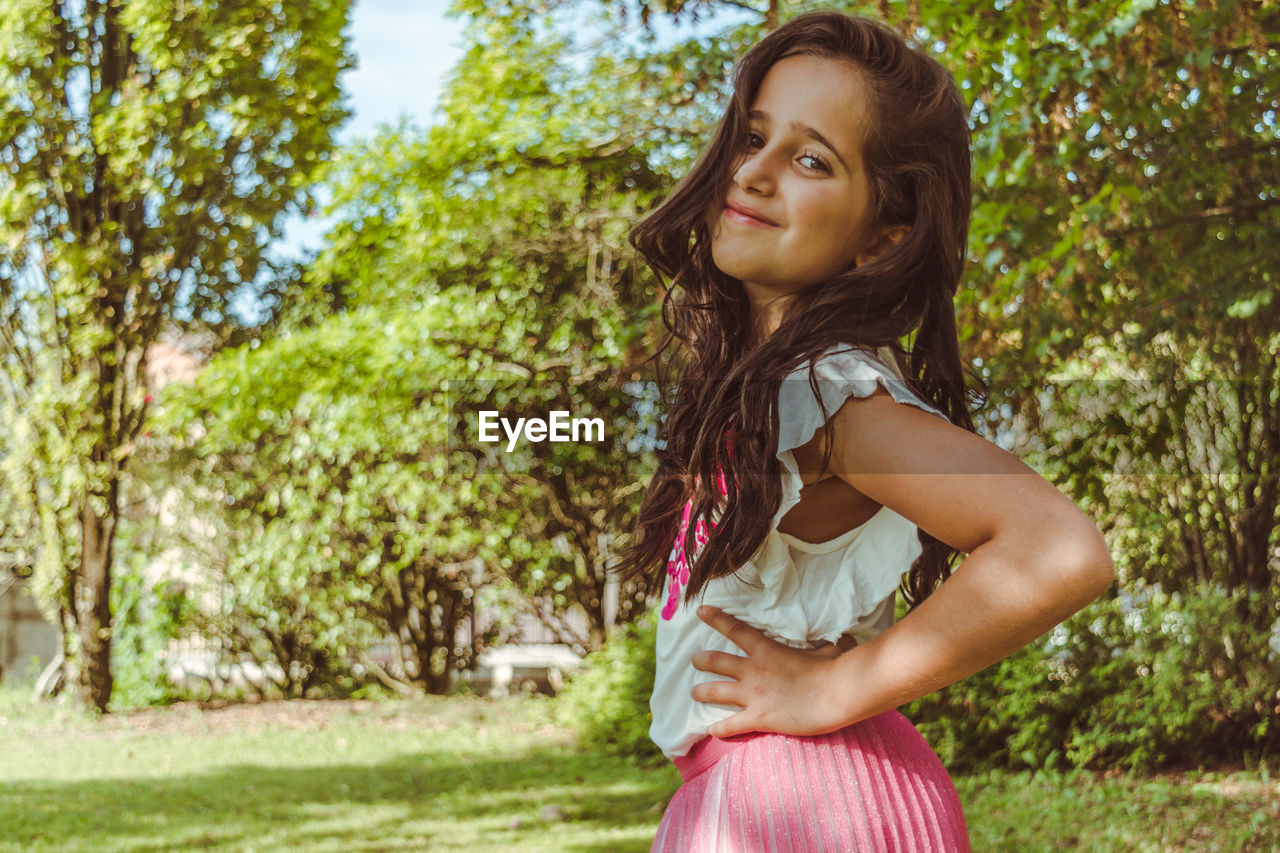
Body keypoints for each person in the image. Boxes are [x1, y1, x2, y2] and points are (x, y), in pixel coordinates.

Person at [612, 9, 1117, 852]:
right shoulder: (776, 389)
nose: (756, 173)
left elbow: (1060, 549)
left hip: (804, 798)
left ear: (882, 237)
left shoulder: (826, 393)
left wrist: (834, 688)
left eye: (812, 159)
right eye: (754, 136)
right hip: (774, 792)